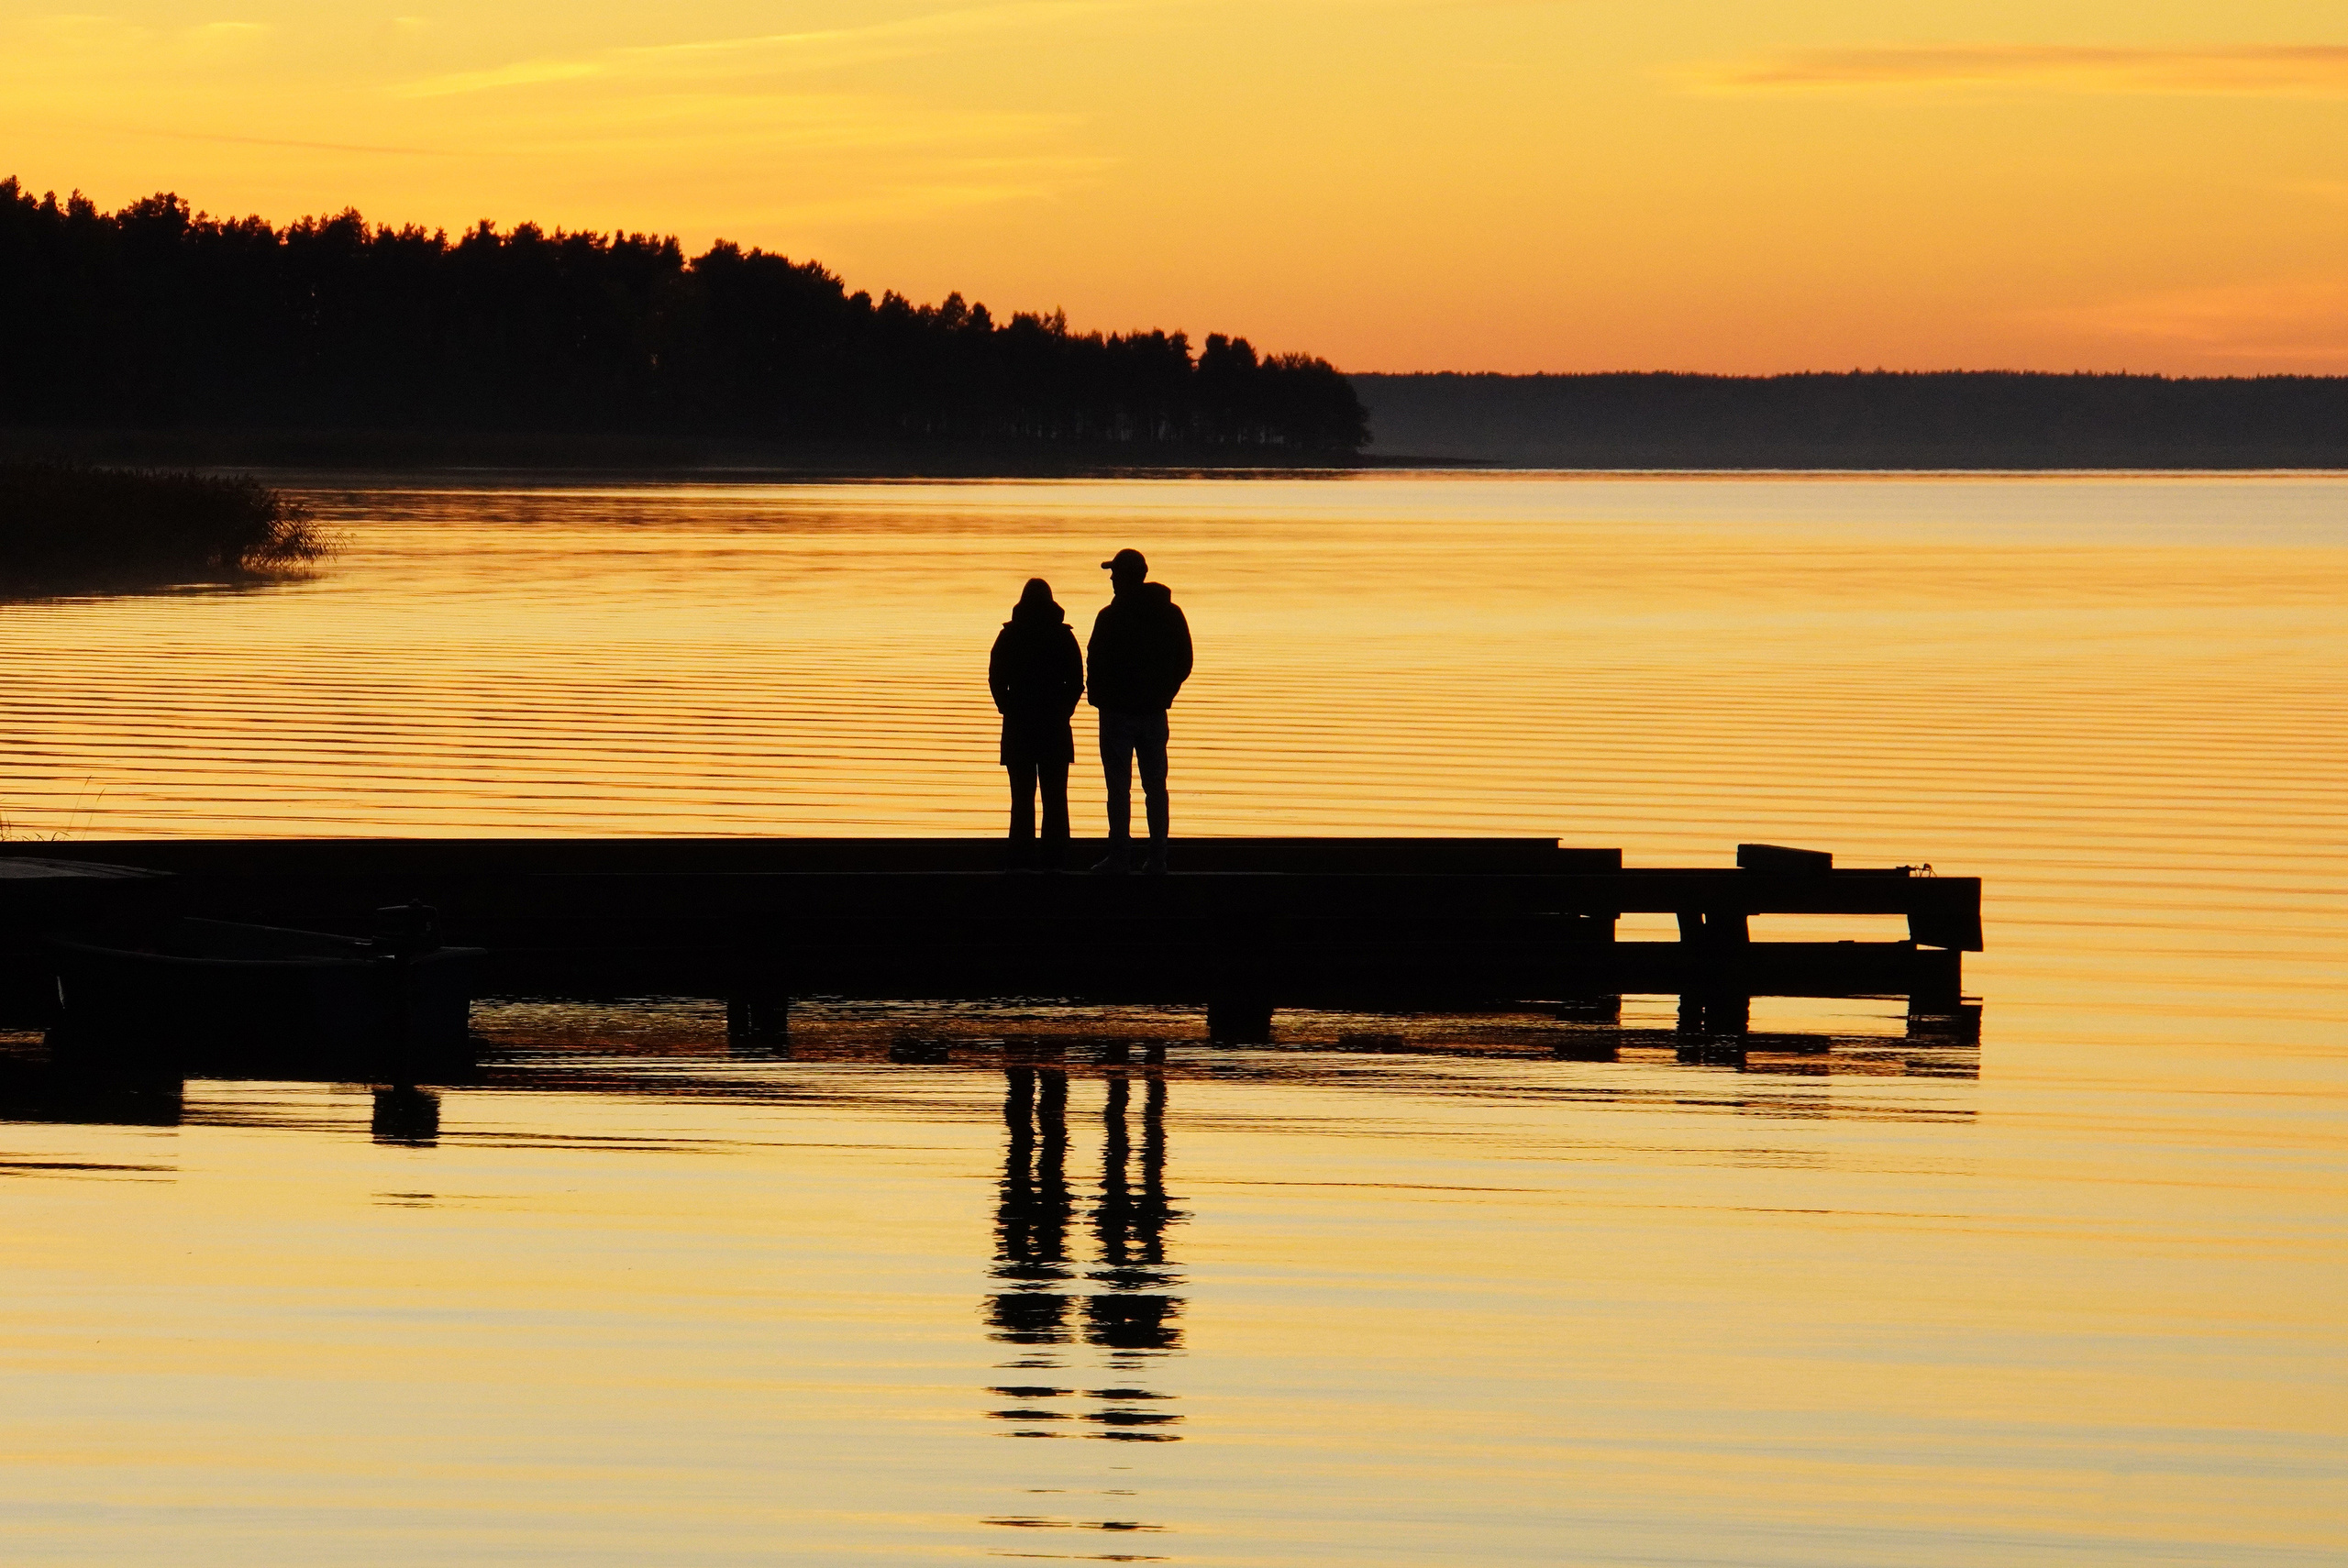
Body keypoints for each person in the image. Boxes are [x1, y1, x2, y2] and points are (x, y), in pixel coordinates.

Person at [1086, 548, 1192, 874]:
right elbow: (1184, 661)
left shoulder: (1110, 617)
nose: (1111, 579)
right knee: (1155, 786)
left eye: (1115, 574)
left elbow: (1095, 662)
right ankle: (1157, 857)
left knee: (1119, 788)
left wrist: (1100, 699)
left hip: (1118, 715)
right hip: (1151, 713)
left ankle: (1121, 856)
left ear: (1126, 578)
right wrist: (1165, 693)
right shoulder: (1169, 613)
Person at [989, 578, 1085, 868]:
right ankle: (1057, 860)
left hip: (1019, 727)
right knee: (1055, 800)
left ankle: (1020, 860)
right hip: (1054, 727)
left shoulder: (1009, 636)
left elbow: (996, 679)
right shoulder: (1063, 636)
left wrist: (1007, 707)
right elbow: (1077, 681)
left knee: (1021, 800)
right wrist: (1064, 711)